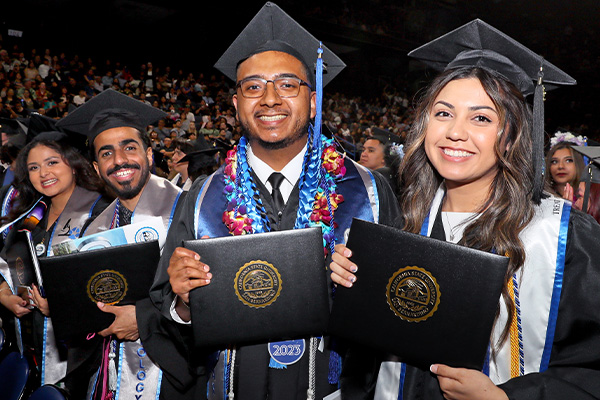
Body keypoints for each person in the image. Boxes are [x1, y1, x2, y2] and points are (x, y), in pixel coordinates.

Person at [331, 19, 600, 400]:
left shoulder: (566, 239)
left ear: (511, 136)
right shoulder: (403, 226)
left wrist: (508, 398)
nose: (455, 131)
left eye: (481, 118)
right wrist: (352, 288)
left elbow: (590, 369)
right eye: (443, 113)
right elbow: (365, 366)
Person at [150, 3, 400, 399]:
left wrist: (364, 288)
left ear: (313, 101)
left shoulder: (366, 189)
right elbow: (166, 311)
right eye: (253, 87)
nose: (269, 98)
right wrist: (182, 304)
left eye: (287, 84)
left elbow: (394, 313)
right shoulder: (201, 196)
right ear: (236, 107)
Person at [56, 88, 191, 399]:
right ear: (96, 167)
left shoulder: (189, 210)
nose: (119, 161)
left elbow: (210, 300)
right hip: (112, 374)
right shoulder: (97, 226)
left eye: (129, 147)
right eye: (106, 153)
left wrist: (142, 321)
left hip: (175, 377)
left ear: (149, 154)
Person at [0, 124, 110, 393]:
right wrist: (4, 294)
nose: (43, 173)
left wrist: (63, 308)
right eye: (34, 167)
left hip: (81, 355)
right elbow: (5, 264)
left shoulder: (103, 214)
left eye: (52, 162)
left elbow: (111, 286)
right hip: (32, 345)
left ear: (73, 164)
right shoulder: (31, 215)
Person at [544, 132, 586, 199]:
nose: (560, 166)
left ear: (579, 163)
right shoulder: (543, 198)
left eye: (568, 160)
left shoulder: (588, 199)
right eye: (554, 162)